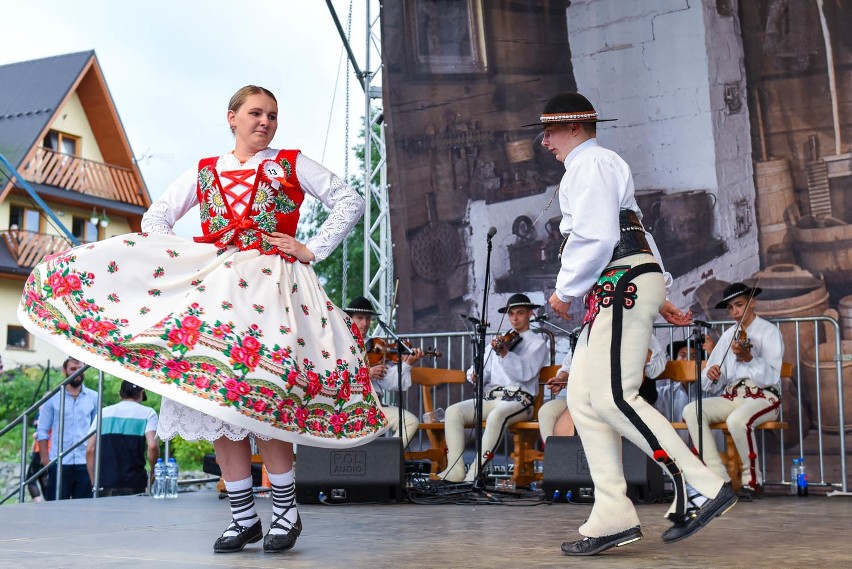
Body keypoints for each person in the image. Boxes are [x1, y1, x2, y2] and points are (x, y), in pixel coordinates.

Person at [18, 85, 387, 553]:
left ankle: (286, 513)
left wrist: (312, 247)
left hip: (274, 290)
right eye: (255, 113)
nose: (265, 122)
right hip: (217, 291)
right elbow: (156, 220)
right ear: (231, 117)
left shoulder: (291, 162)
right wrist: (191, 254)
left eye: (272, 115)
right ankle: (242, 517)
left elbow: (348, 200)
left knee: (264, 399)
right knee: (216, 403)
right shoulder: (205, 170)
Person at [537, 92, 736, 555]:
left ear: (574, 128)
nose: (544, 141)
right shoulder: (595, 166)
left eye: (550, 131)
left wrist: (565, 290)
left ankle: (702, 483)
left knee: (612, 395)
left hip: (619, 284)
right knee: (585, 400)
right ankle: (612, 514)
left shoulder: (590, 164)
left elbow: (597, 236)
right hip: (623, 284)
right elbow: (635, 230)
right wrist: (663, 296)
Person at [683, 282, 783, 497]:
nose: (735, 311)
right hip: (733, 396)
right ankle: (720, 479)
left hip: (763, 397)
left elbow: (772, 377)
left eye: (739, 305)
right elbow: (711, 379)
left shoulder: (769, 332)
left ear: (752, 302)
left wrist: (749, 359)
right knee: (692, 410)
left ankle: (752, 481)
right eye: (731, 307)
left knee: (737, 420)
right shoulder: (728, 336)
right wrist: (711, 375)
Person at [436, 293, 549, 483]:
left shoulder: (537, 344)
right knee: (453, 411)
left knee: (497, 416)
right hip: (492, 398)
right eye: (511, 313)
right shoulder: (498, 342)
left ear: (530, 314)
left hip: (519, 401)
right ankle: (454, 469)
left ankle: (475, 473)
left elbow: (525, 374)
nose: (514, 318)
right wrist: (474, 374)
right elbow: (481, 370)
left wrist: (504, 354)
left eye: (520, 313)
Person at [344, 296, 422, 449]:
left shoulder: (375, 345)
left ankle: (387, 461)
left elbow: (390, 383)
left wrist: (406, 364)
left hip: (374, 406)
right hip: (349, 406)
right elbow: (336, 376)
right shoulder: (340, 344)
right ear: (349, 319)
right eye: (360, 318)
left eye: (368, 318)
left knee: (410, 421)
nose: (365, 323)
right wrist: (367, 373)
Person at [36, 357, 98, 500]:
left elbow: (97, 430)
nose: (77, 372)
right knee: (56, 508)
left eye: (80, 369)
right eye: (73, 369)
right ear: (65, 371)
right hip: (59, 462)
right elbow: (43, 430)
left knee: (83, 510)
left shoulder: (94, 397)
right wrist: (46, 461)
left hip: (84, 462)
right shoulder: (53, 397)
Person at [86, 381, 159, 496]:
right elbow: (152, 446)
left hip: (105, 482)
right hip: (134, 482)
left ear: (120, 394)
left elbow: (90, 449)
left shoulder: (103, 413)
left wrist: (93, 481)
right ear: (142, 393)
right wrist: (153, 472)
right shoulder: (148, 413)